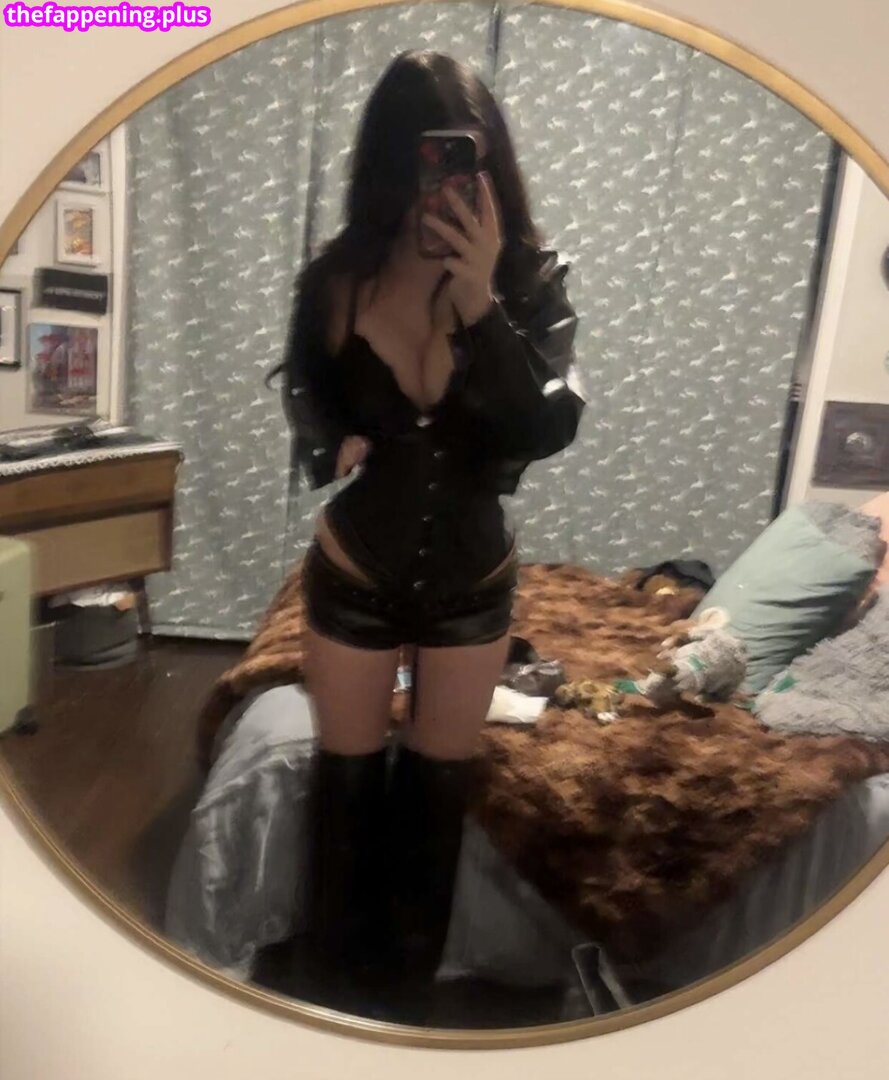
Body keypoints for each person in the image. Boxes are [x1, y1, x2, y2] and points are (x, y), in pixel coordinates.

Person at [269, 50, 586, 1016]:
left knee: (435, 802)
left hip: (470, 583)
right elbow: (306, 388)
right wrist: (332, 442)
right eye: (418, 157)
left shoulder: (531, 279)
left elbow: (543, 429)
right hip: (354, 569)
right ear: (385, 161)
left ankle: (401, 1011)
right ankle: (327, 1007)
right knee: (345, 791)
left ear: (488, 162)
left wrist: (481, 299)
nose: (437, 179)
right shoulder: (340, 277)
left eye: (457, 157)